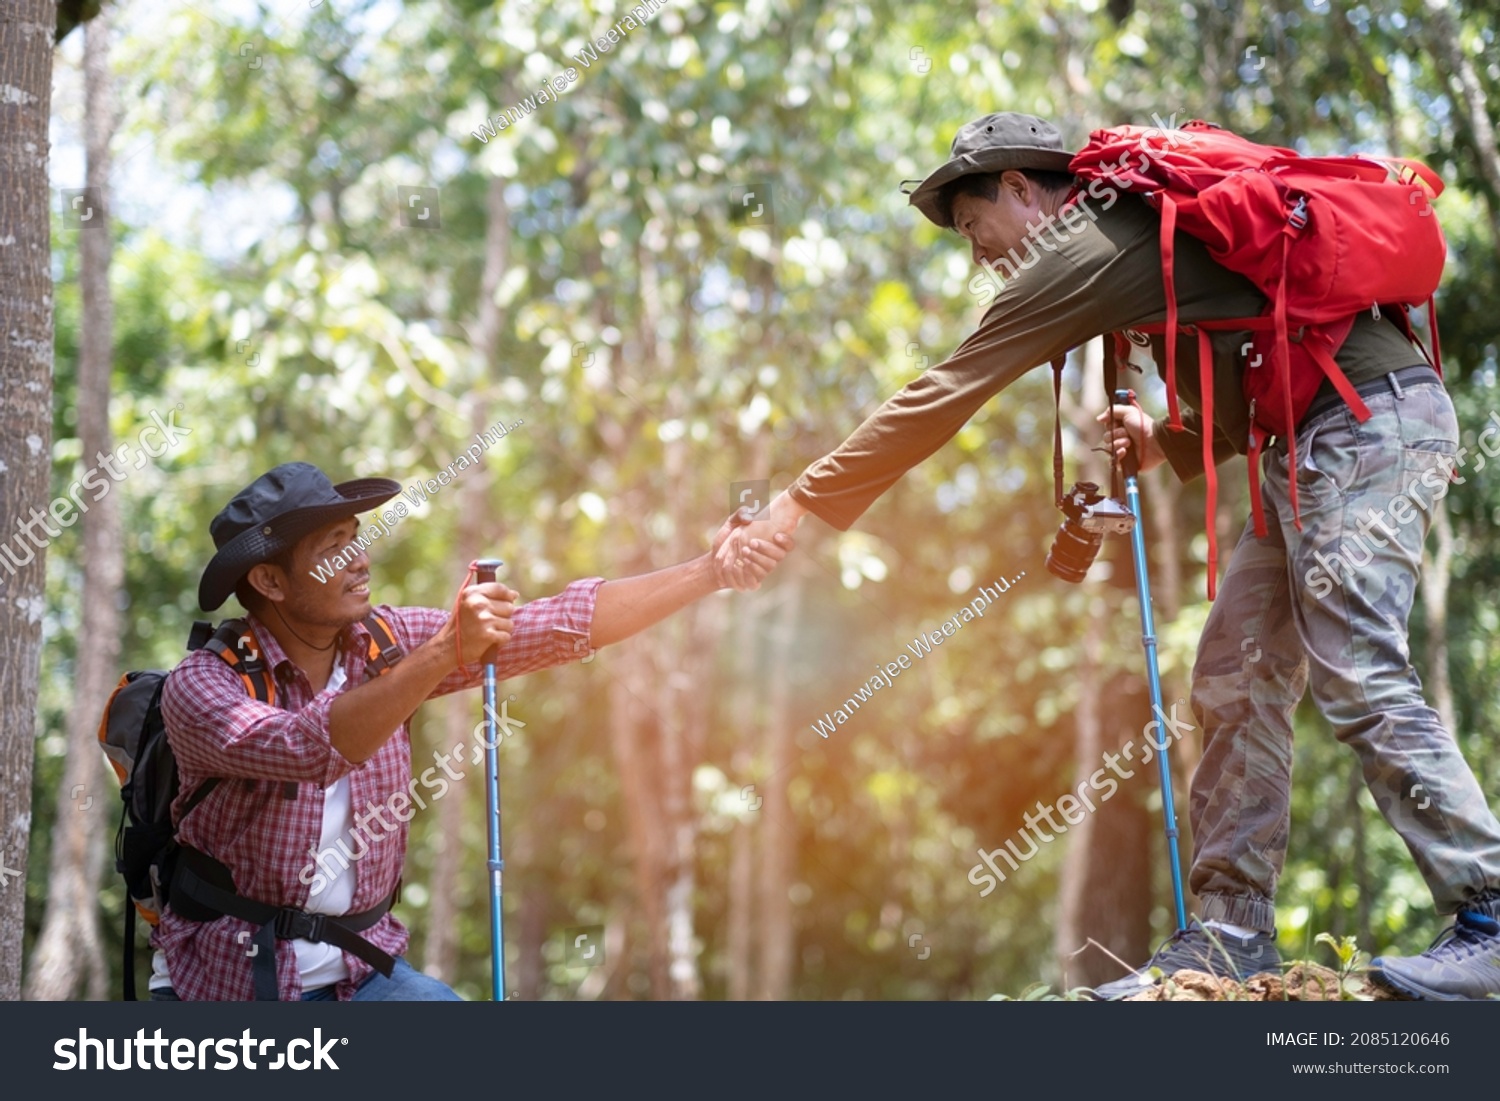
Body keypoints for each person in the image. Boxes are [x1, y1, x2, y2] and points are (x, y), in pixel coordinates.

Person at [719, 112, 1500, 1000]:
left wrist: (797, 504)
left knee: (1354, 663)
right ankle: (1230, 936)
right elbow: (1253, 382)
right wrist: (1165, 431)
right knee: (1234, 675)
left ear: (1020, 189)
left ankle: (1490, 907)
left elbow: (945, 390)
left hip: (1368, 424)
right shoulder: (1140, 237)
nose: (978, 253)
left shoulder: (1087, 241)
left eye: (975, 226)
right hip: (1312, 442)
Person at [152, 461, 792, 1001]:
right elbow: (313, 747)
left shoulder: (384, 642)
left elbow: (557, 624)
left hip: (361, 973)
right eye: (332, 550)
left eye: (356, 537)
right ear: (268, 581)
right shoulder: (204, 688)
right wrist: (442, 652)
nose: (361, 561)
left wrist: (710, 570)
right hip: (228, 979)